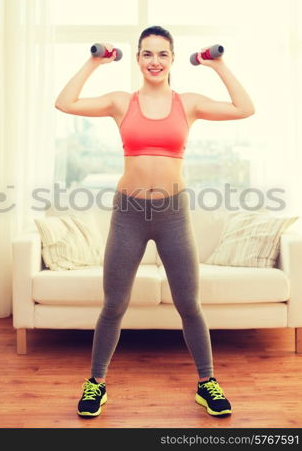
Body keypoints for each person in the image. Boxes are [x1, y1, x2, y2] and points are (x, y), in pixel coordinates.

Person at [55, 25, 255, 418]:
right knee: (114, 304)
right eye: (147, 54)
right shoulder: (120, 101)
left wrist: (218, 64)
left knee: (189, 304)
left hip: (173, 214)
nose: (155, 61)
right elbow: (65, 102)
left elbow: (245, 108)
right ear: (138, 59)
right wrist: (93, 61)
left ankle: (207, 382)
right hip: (128, 213)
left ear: (173, 59)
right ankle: (96, 383)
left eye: (162, 54)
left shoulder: (189, 103)